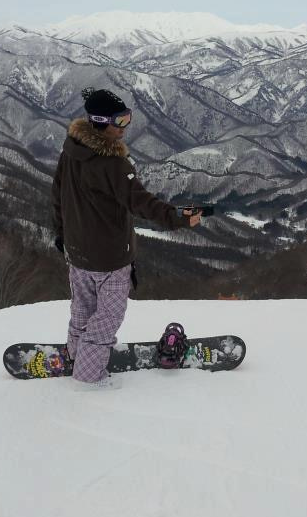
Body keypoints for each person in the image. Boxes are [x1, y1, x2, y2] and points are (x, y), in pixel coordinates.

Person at [51, 87, 201, 390]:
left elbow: (58, 197)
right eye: (120, 121)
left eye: (127, 118)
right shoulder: (114, 164)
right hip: (109, 258)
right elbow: (142, 203)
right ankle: (88, 377)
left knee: (82, 309)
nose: (125, 126)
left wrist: (61, 235)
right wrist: (180, 218)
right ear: (100, 121)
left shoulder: (70, 152)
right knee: (107, 318)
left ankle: (76, 353)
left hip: (77, 252)